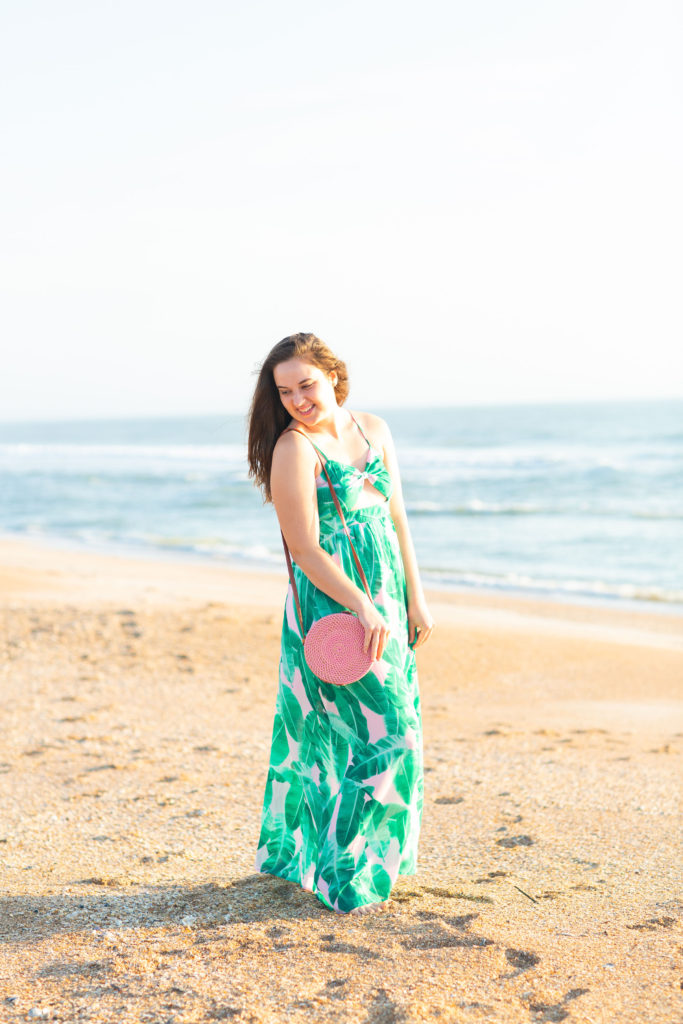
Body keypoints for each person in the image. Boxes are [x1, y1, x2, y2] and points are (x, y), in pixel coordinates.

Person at [247, 333, 434, 915]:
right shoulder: (294, 449)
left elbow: (398, 517)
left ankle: (358, 865)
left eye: (306, 384)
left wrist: (414, 597)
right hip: (336, 603)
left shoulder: (373, 429)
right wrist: (362, 604)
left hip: (385, 602)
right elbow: (302, 546)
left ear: (332, 374)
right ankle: (343, 873)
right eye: (286, 391)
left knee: (384, 731)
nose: (299, 399)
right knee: (385, 734)